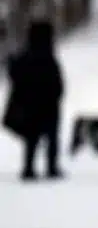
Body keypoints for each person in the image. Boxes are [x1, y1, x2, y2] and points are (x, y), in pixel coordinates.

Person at [2, 19, 65, 181]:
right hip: (48, 104)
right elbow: (56, 81)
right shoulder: (48, 56)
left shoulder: (25, 55)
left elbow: (15, 76)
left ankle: (29, 168)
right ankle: (50, 167)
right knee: (50, 136)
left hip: (30, 104)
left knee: (32, 138)